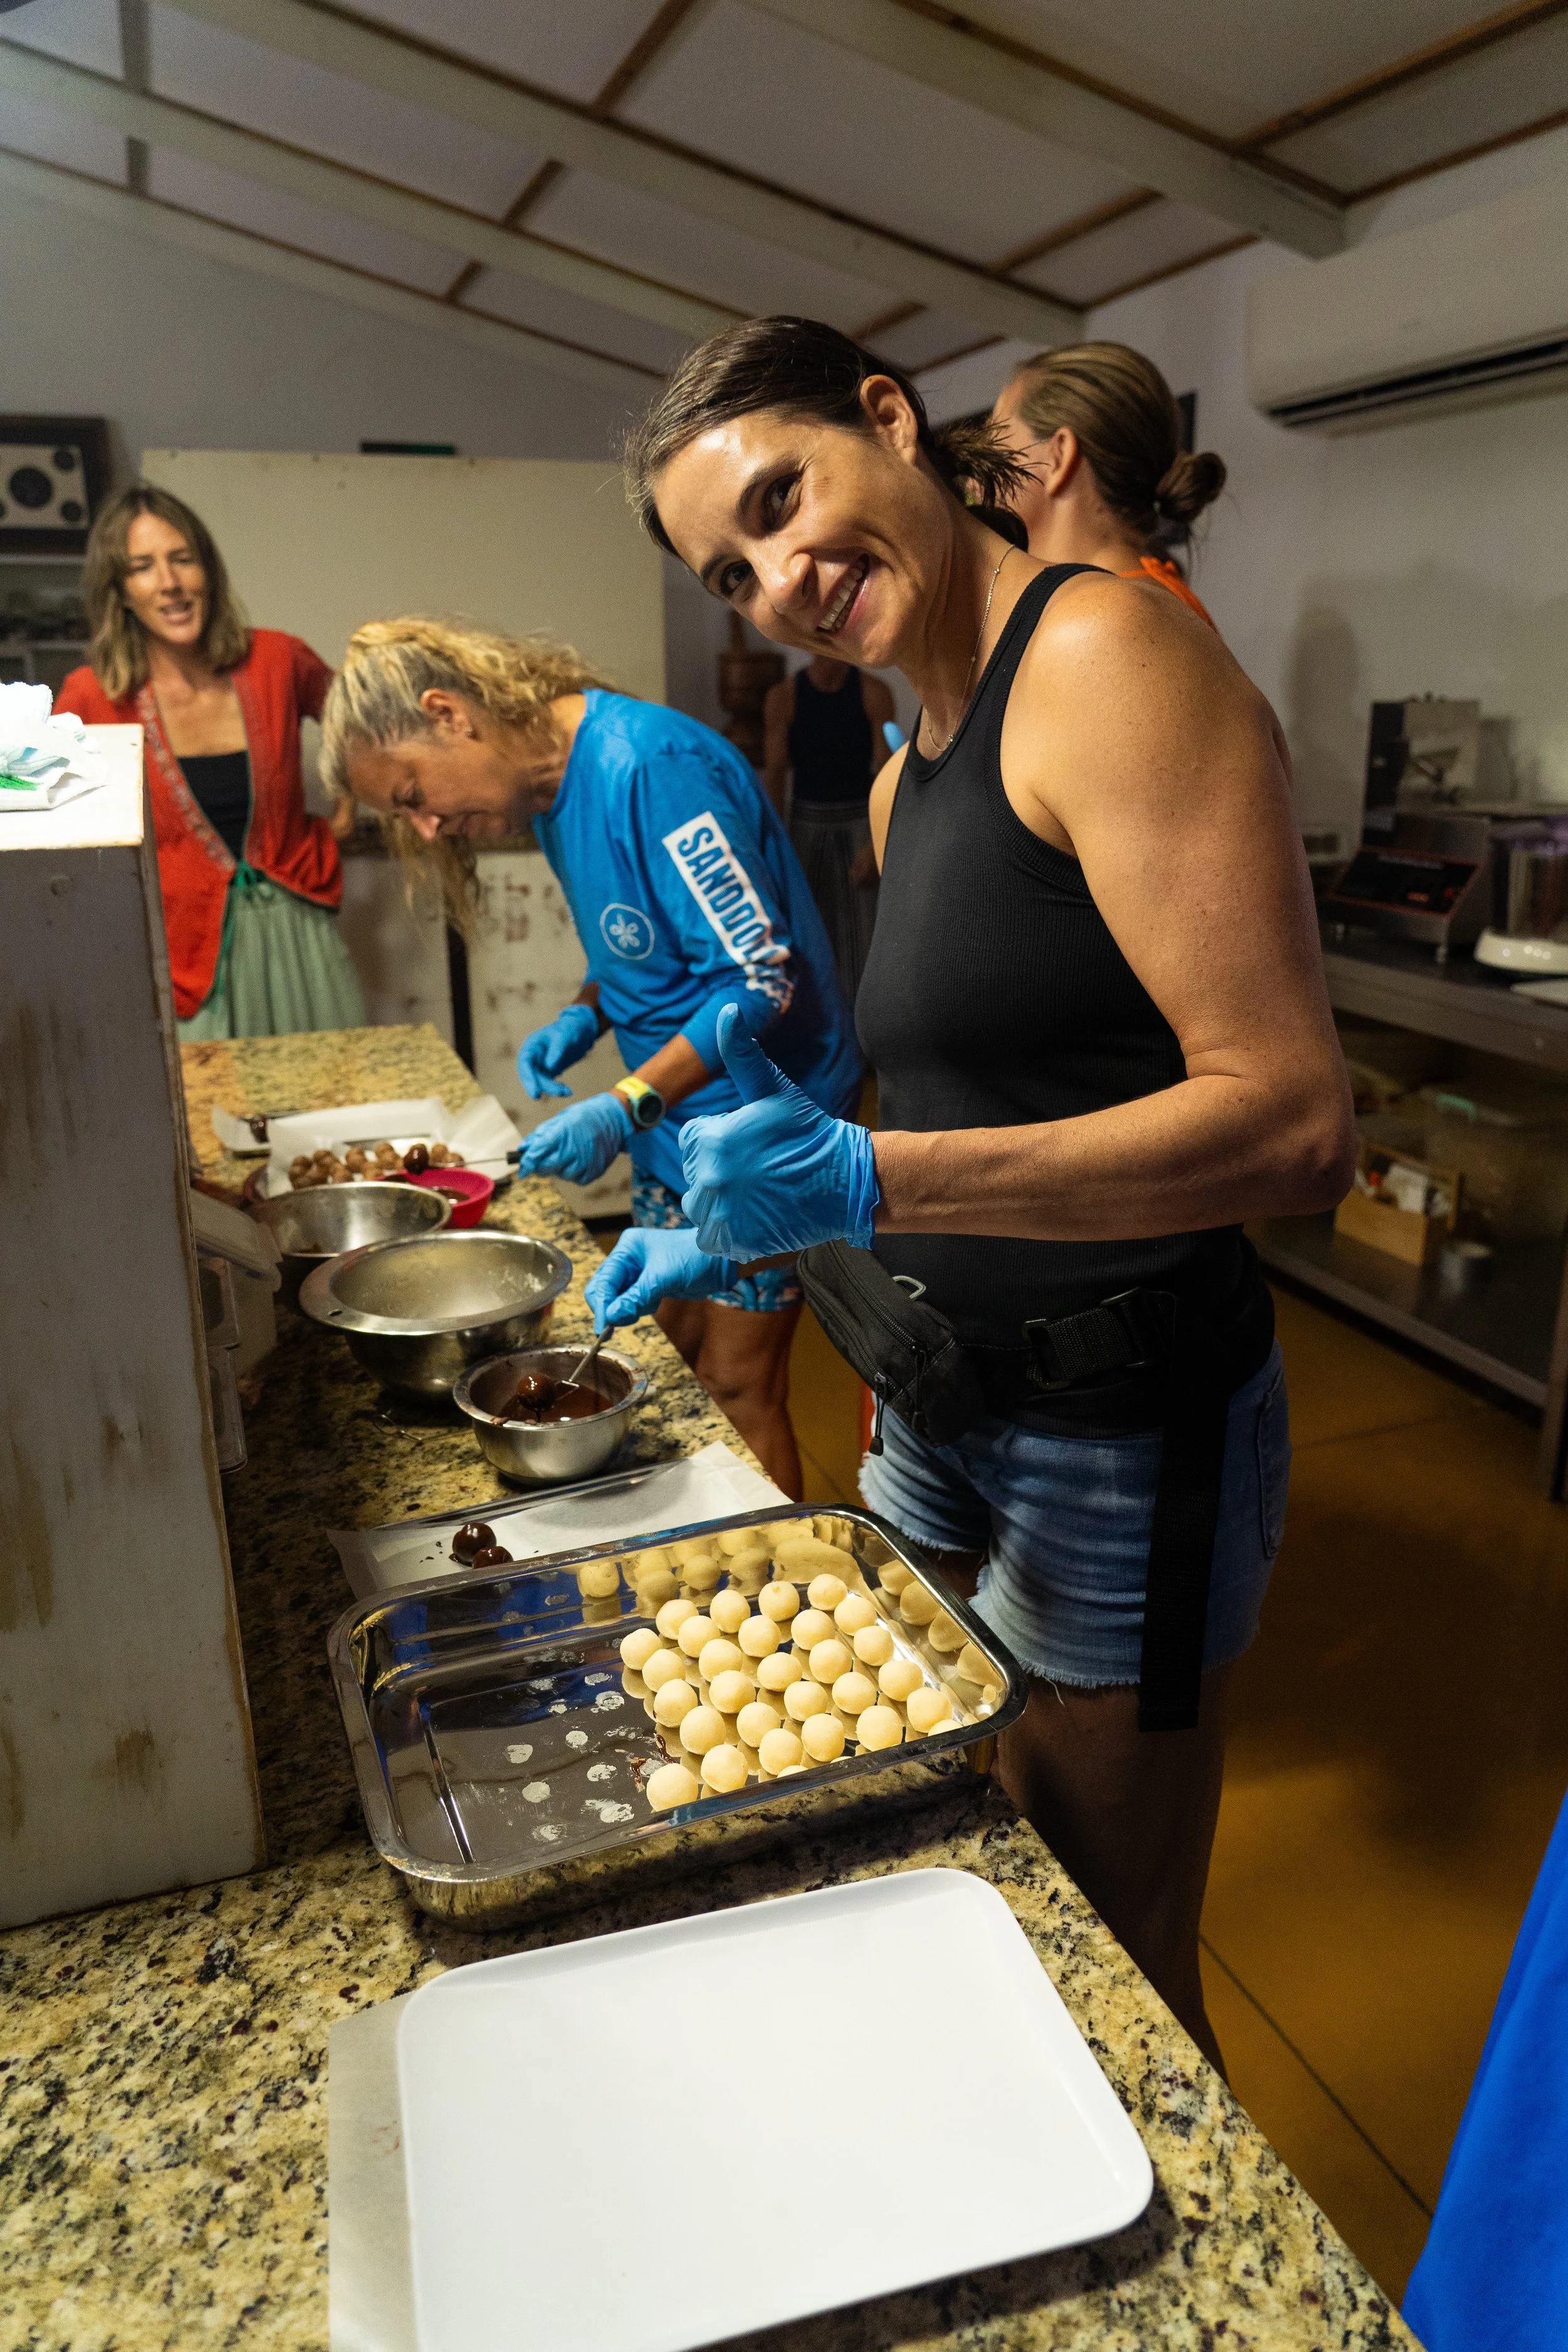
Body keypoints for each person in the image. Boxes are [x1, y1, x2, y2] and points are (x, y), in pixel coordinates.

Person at [585, 315, 1353, 2066]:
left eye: (784, 501)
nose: (779, 577)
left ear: (887, 420)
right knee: (958, 1867)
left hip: (1117, 1425)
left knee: (1112, 1951)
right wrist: (751, 1210)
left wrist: (873, 1167)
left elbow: (1296, 1125)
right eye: (733, 566)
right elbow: (948, 1078)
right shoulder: (899, 764)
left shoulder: (1100, 658)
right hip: (940, 1398)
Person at [319, 618, 861, 1498]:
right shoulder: (549, 795)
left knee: (736, 1381)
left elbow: (759, 980)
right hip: (671, 1130)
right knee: (668, 1358)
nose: (426, 823)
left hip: (761, 1132)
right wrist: (582, 1012)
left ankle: (778, 1599)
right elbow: (650, 947)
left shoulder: (649, 768)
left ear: (449, 712)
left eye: (414, 792)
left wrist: (625, 1101)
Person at [56, 485, 364, 1038]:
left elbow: (359, 721)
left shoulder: (277, 658)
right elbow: (52, 822)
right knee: (211, 1118)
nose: (169, 583)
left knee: (333, 1108)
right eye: (143, 568)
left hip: (302, 934)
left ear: (209, 572)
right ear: (121, 592)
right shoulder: (90, 696)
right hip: (187, 957)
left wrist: (347, 807)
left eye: (182, 559)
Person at [988, 341, 1224, 630]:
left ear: (1058, 457)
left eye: (997, 441)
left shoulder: (1103, 618)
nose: (977, 477)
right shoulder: (1133, 597)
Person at [762, 654, 896, 1010]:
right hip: (807, 826)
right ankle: (825, 1042)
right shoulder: (785, 696)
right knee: (810, 935)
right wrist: (775, 849)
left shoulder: (874, 692)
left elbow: (889, 773)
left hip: (859, 823)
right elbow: (775, 774)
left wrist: (875, 843)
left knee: (867, 936)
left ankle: (868, 1042)